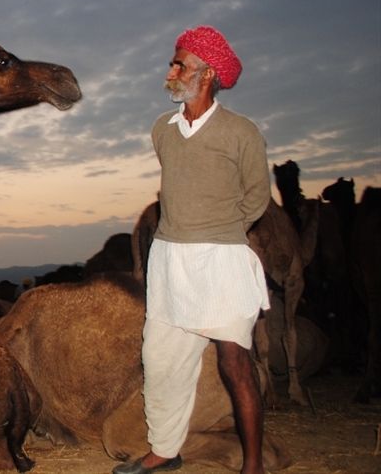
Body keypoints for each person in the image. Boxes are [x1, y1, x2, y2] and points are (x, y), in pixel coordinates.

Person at [114, 26, 270, 474]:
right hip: (168, 258)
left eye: (180, 64)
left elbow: (256, 197)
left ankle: (253, 464)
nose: (171, 71)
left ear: (206, 74)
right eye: (173, 62)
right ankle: (165, 450)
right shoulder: (162, 130)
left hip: (222, 260)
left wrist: (220, 231)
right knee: (161, 359)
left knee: (234, 361)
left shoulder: (241, 132)